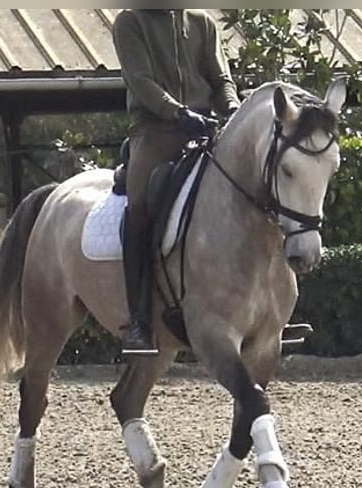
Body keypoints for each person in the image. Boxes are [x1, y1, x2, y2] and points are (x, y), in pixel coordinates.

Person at [112, 9, 241, 355]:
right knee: (139, 208)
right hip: (156, 131)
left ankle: (267, 306)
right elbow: (140, 80)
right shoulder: (131, 22)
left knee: (253, 191)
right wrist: (179, 113)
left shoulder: (203, 23)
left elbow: (221, 78)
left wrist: (231, 107)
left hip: (207, 128)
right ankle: (139, 320)